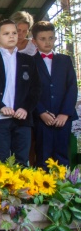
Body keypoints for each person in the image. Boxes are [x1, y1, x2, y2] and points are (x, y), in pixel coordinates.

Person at [0, 19, 40, 165]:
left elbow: (35, 88)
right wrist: (0, 107)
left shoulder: (28, 60)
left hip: (22, 118)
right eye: (6, 33)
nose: (11, 36)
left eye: (14, 33)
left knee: (22, 160)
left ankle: (21, 182)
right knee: (2, 160)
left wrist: (25, 108)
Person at [31, 21, 78, 168]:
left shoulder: (65, 60)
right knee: (43, 156)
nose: (47, 42)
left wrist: (65, 113)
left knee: (63, 156)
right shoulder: (29, 62)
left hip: (63, 117)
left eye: (51, 38)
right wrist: (41, 112)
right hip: (41, 118)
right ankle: (43, 183)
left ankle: (64, 183)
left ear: (55, 39)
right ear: (34, 41)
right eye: (42, 39)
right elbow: (29, 90)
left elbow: (72, 87)